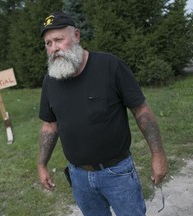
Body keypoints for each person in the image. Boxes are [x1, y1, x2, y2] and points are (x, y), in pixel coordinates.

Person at [37, 11, 168, 216]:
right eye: (48, 43)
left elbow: (141, 111)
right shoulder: (50, 80)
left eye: (59, 40)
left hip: (117, 173)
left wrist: (158, 154)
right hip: (78, 176)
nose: (54, 48)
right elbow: (49, 126)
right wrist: (42, 164)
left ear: (76, 36)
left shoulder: (109, 66)